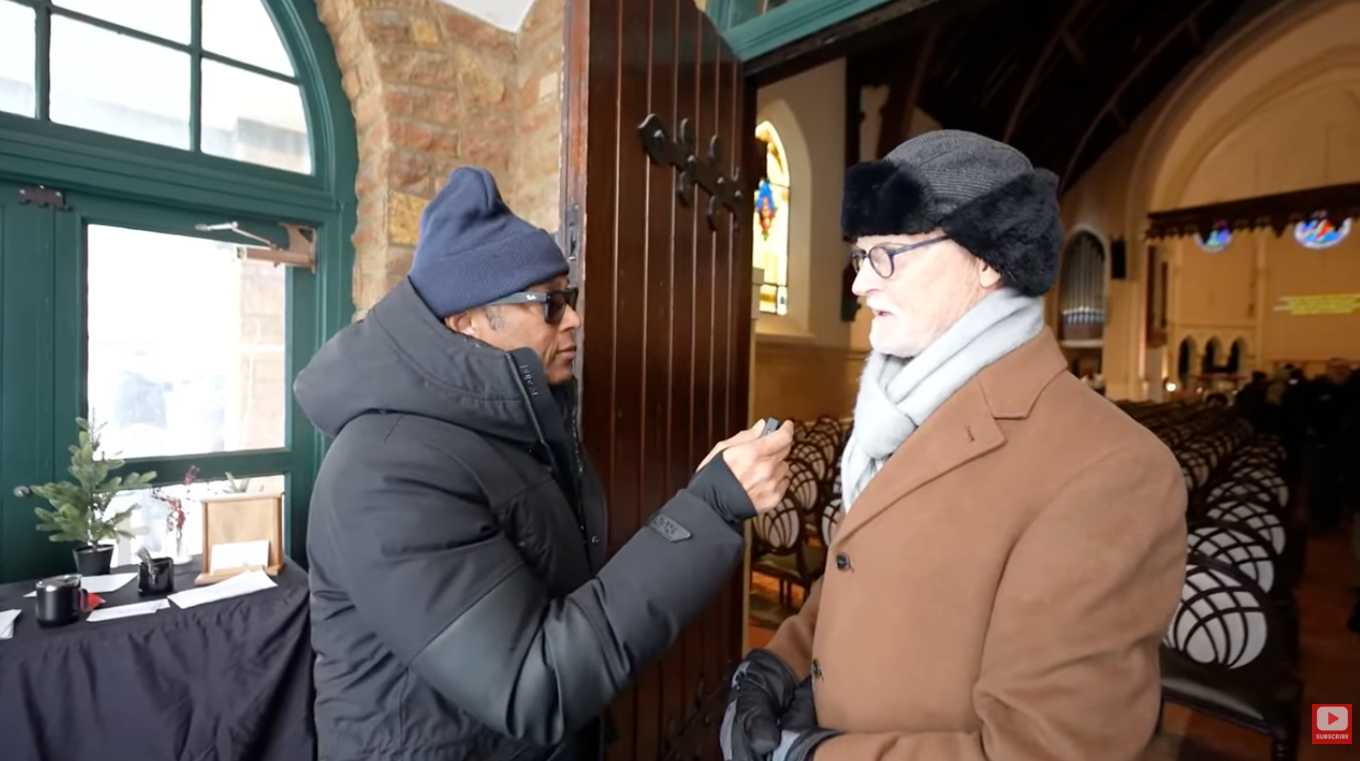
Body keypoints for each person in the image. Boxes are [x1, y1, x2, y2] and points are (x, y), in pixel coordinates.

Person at [296, 166, 795, 761]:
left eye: (569, 298)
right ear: (466, 321)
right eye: (549, 303)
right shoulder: (384, 471)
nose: (574, 319)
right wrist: (708, 508)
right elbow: (533, 683)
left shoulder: (508, 430)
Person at [720, 131, 1188, 761]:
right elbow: (861, 575)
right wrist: (778, 665)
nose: (860, 285)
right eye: (861, 257)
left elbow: (1044, 748)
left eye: (888, 254)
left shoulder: (1112, 470)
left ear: (987, 258)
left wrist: (810, 757)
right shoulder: (897, 409)